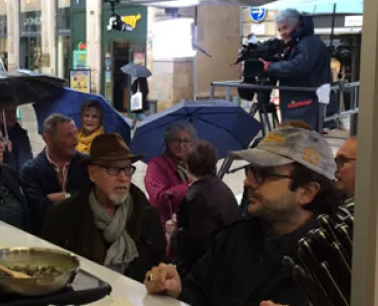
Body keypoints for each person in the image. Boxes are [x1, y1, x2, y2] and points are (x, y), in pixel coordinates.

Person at [145, 127, 342, 306]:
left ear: (307, 191)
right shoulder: (236, 238)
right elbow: (198, 293)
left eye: (263, 174)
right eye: (250, 170)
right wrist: (176, 289)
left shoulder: (337, 258)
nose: (247, 182)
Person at [40, 133, 166, 281]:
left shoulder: (146, 215)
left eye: (127, 169)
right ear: (92, 174)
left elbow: (158, 266)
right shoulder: (62, 217)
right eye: (113, 169)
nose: (123, 178)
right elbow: (49, 272)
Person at [172, 141, 239, 276]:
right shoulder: (224, 189)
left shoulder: (194, 197)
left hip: (206, 270)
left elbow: (190, 246)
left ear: (187, 167)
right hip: (230, 260)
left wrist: (175, 231)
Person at [263, 8, 333, 131]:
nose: (282, 33)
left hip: (305, 105)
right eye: (279, 29)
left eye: (285, 28)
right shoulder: (303, 43)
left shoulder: (309, 43)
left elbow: (299, 66)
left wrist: (270, 67)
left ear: (298, 25)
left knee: (302, 141)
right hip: (301, 104)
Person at [19, 113, 91, 233]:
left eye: (75, 133)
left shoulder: (87, 164)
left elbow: (92, 199)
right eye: (69, 136)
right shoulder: (29, 171)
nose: (76, 141)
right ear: (48, 139)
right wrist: (76, 197)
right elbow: (37, 211)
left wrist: (64, 196)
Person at [144, 122, 196, 230]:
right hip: (163, 230)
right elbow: (160, 198)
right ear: (167, 142)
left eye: (186, 141)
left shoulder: (194, 164)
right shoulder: (156, 165)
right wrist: (191, 186)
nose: (181, 145)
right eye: (176, 140)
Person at [0, 99, 33, 173]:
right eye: (7, 112)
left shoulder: (21, 133)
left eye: (13, 112)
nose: (11, 116)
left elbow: (27, 160)